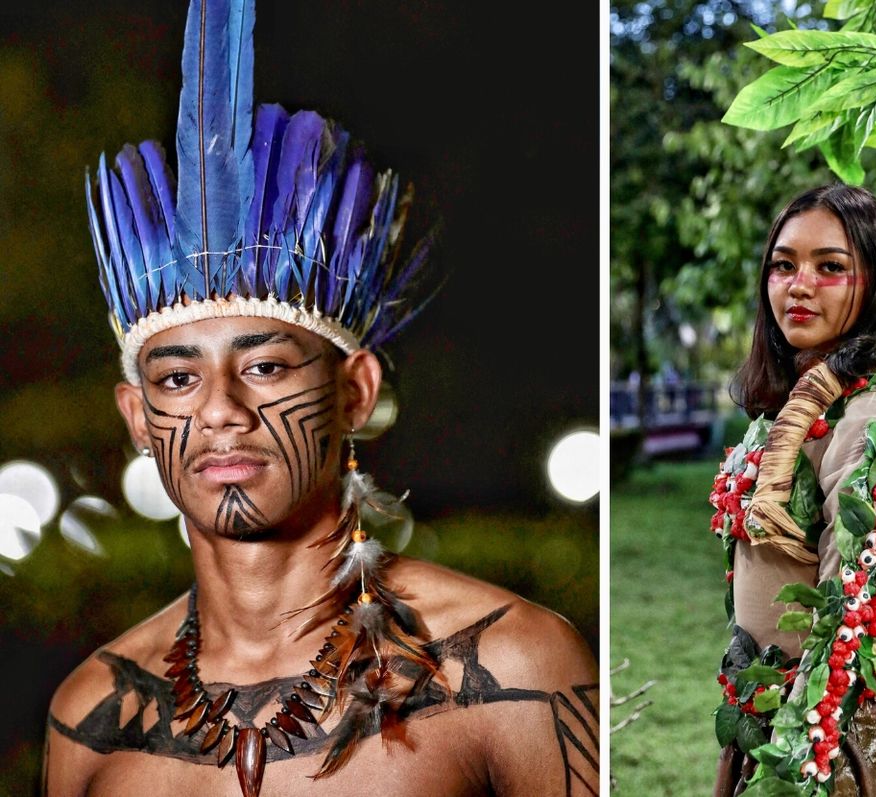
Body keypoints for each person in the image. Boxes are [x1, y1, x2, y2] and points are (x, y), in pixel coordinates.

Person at [41, 3, 599, 796]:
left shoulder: (516, 670)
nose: (221, 408)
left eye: (265, 367)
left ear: (355, 391)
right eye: (176, 378)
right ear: (137, 416)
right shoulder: (89, 716)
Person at [710, 184, 876, 795]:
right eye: (784, 265)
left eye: (831, 268)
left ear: (874, 284)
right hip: (775, 703)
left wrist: (801, 744)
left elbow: (846, 599)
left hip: (842, 727)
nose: (798, 285)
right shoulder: (789, 408)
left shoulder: (866, 414)